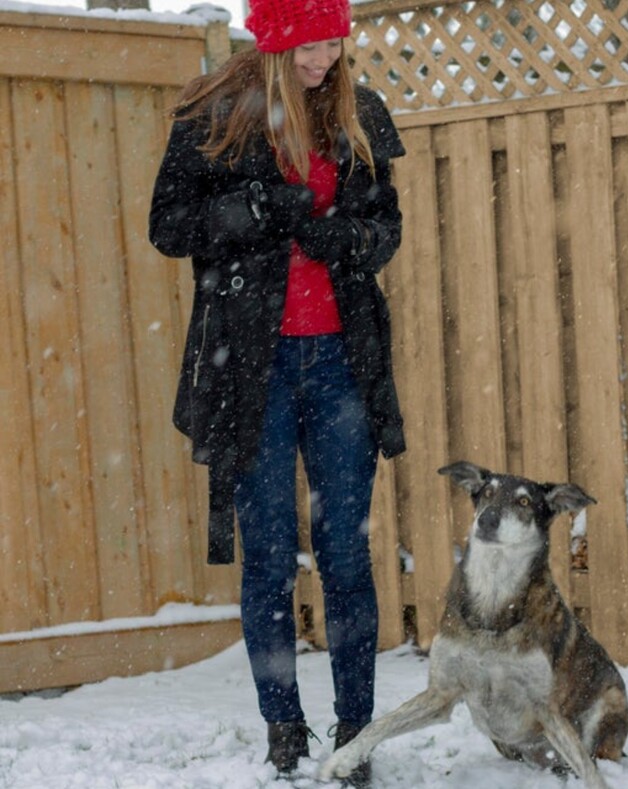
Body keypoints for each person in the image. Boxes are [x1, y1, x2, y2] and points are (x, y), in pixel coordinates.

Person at [148, 0, 406, 784]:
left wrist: (350, 241)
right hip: (248, 366)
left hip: (339, 363)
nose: (322, 59)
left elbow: (385, 228)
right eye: (307, 43)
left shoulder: (358, 113)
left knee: (344, 555)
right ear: (272, 38)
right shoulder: (215, 112)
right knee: (265, 558)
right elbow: (169, 225)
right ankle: (283, 729)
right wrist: (254, 208)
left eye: (332, 42)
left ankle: (354, 731)